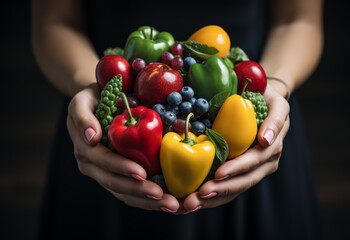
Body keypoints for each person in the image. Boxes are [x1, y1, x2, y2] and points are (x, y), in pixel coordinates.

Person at [32, 0, 324, 239]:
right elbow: (55, 22)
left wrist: (276, 85)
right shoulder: (105, 112)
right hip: (111, 130)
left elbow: (299, 20)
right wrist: (90, 90)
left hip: (246, 125)